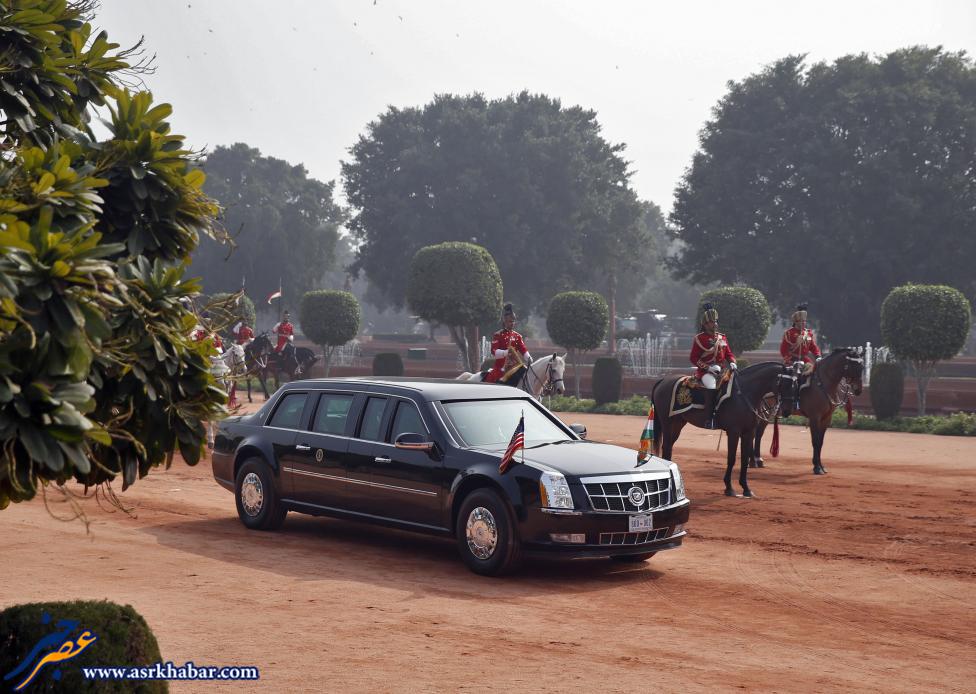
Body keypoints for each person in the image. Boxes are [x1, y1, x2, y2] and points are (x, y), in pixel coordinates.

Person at [689, 303, 737, 428]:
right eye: (711, 322)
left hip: (722, 371)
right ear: (705, 324)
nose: (714, 323)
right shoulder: (700, 338)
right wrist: (708, 368)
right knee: (711, 387)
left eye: (715, 321)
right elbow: (693, 358)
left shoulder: (722, 337)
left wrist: (732, 362)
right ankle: (709, 419)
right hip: (706, 372)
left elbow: (729, 354)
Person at [484, 303, 532, 385]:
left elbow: (523, 349)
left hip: (515, 366)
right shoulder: (498, 335)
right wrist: (505, 353)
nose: (512, 323)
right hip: (501, 368)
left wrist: (528, 357)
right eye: (510, 321)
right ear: (505, 321)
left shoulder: (517, 336)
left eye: (513, 322)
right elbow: (494, 352)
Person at [780, 303, 821, 373]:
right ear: (796, 322)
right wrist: (789, 360)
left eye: (804, 321)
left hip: (805, 360)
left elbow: (813, 347)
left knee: (814, 373)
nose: (803, 323)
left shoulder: (808, 333)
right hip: (792, 360)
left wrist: (818, 356)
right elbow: (783, 350)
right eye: (801, 321)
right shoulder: (789, 333)